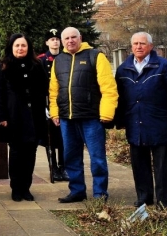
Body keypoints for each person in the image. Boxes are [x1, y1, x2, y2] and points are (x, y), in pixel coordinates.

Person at [49, 27, 118, 203]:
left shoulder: (96, 56)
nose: (70, 41)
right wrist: (55, 113)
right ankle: (77, 190)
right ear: (62, 41)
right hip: (67, 119)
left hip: (91, 118)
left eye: (73, 37)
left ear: (80, 38)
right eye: (66, 38)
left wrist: (107, 114)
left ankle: (100, 194)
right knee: (71, 157)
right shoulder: (59, 60)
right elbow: (54, 91)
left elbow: (109, 88)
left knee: (97, 158)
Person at [115, 32, 167, 208]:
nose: (139, 47)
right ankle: (144, 196)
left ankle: (162, 199)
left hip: (159, 122)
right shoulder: (123, 69)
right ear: (131, 46)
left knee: (161, 164)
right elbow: (120, 98)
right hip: (134, 122)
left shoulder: (164, 66)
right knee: (139, 163)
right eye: (135, 43)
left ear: (151, 46)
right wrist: (120, 120)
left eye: (142, 43)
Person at [0, 33, 48, 202]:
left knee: (30, 153)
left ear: (28, 47)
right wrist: (2, 116)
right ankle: (16, 188)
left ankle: (26, 188)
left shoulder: (37, 65)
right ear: (11, 47)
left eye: (23, 45)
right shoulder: (4, 67)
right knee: (16, 153)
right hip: (14, 116)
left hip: (34, 116)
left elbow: (44, 89)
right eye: (17, 45)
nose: (20, 48)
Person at [38, 27, 67, 181]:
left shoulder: (66, 58)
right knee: (50, 138)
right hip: (49, 103)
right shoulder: (41, 60)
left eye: (57, 39)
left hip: (64, 102)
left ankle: (64, 167)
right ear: (47, 42)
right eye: (52, 39)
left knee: (64, 137)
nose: (55, 42)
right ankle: (53, 167)